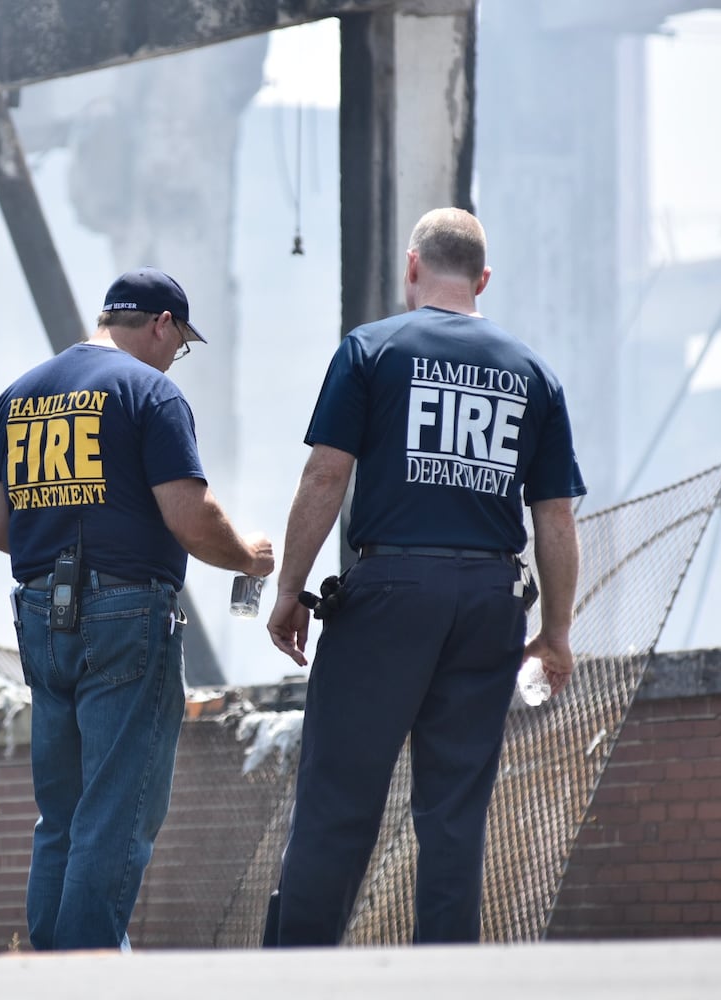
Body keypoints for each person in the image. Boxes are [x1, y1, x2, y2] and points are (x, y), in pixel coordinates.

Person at [264, 207, 585, 946]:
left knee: (339, 798)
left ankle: (291, 973)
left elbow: (324, 476)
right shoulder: (532, 373)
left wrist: (290, 588)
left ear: (411, 267)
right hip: (489, 604)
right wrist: (556, 633)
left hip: (388, 595)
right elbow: (556, 518)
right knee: (453, 812)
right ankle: (448, 979)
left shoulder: (371, 350)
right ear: (483, 278)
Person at [0, 266, 273, 951]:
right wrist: (248, 559)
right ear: (161, 323)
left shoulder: (14, 399)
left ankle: (52, 969)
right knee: (115, 814)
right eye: (179, 342)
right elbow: (189, 517)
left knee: (63, 815)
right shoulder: (149, 393)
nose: (175, 358)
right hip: (126, 614)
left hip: (41, 614)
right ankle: (86, 973)